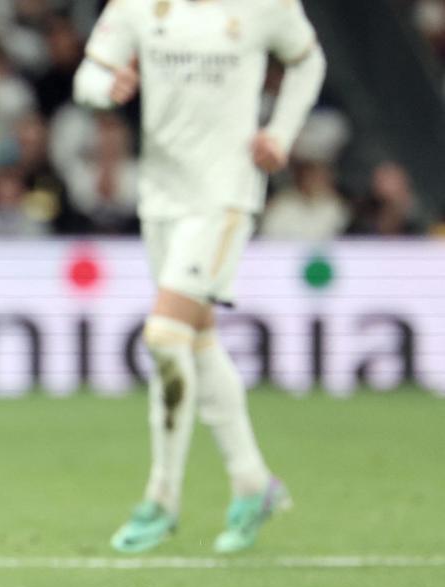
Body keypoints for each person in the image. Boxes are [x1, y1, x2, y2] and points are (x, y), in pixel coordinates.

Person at [73, 0, 326, 553]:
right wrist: (105, 87)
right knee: (199, 340)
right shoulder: (137, 6)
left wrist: (281, 132)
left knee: (164, 337)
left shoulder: (267, 7)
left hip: (224, 193)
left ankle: (161, 498)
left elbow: (308, 62)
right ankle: (253, 483)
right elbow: (90, 71)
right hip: (161, 196)